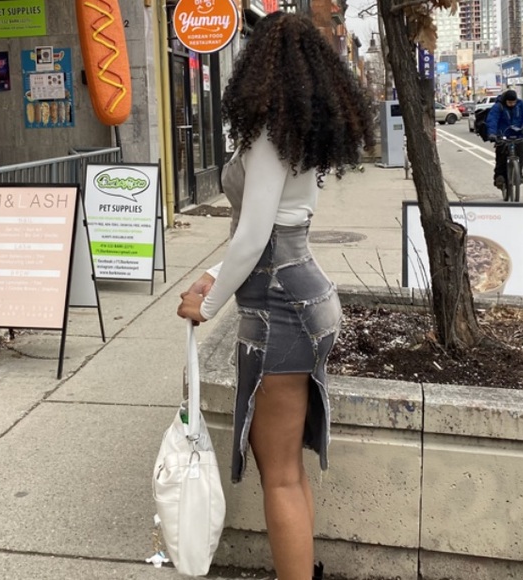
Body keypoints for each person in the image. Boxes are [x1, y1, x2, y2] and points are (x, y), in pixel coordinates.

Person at [177, 11, 374, 580]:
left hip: (282, 308)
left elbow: (255, 235)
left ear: (258, 64)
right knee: (286, 468)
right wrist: (214, 275)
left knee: (280, 474)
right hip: (304, 297)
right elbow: (275, 233)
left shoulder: (269, 134)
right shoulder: (300, 134)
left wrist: (208, 303)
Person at [486, 89, 523, 189]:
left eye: (513, 102)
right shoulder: (498, 106)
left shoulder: (521, 105)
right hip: (503, 135)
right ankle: (499, 177)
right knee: (501, 156)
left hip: (519, 134)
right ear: (505, 100)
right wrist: (492, 134)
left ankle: (519, 174)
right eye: (509, 102)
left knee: (521, 154)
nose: (512, 104)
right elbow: (492, 120)